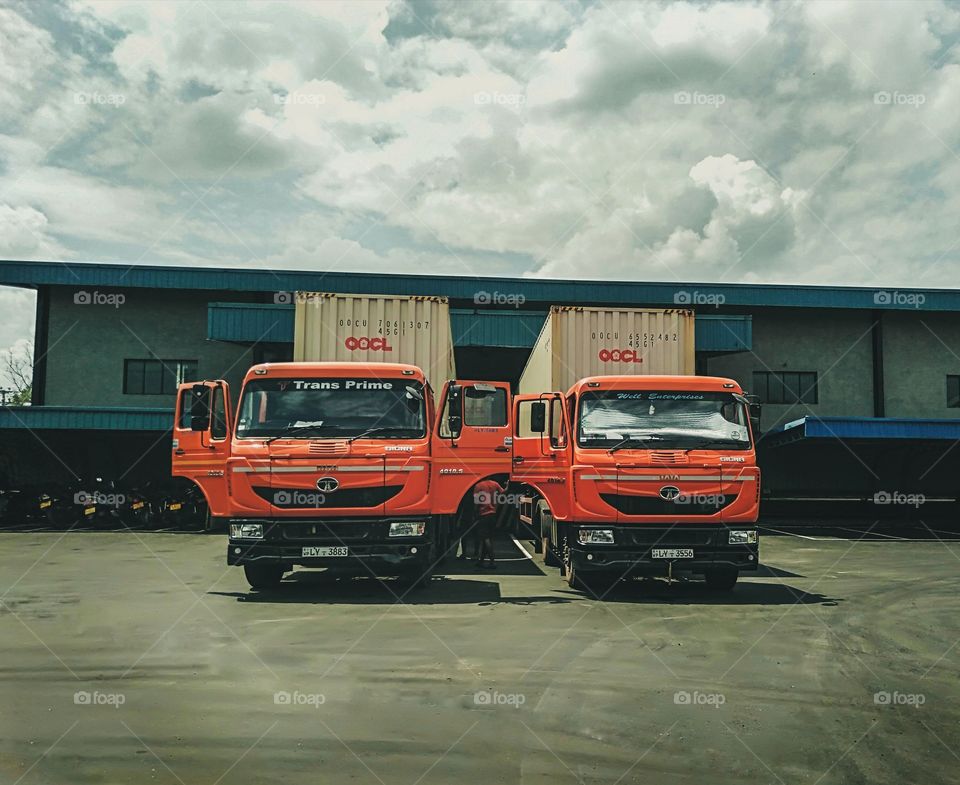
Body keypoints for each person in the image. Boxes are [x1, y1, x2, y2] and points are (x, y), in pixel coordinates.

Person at [471, 476, 505, 569]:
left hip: (483, 514)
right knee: (487, 538)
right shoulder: (495, 484)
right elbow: (503, 492)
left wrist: (474, 514)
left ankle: (492, 561)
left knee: (485, 538)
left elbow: (476, 502)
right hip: (493, 514)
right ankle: (481, 561)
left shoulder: (478, 486)